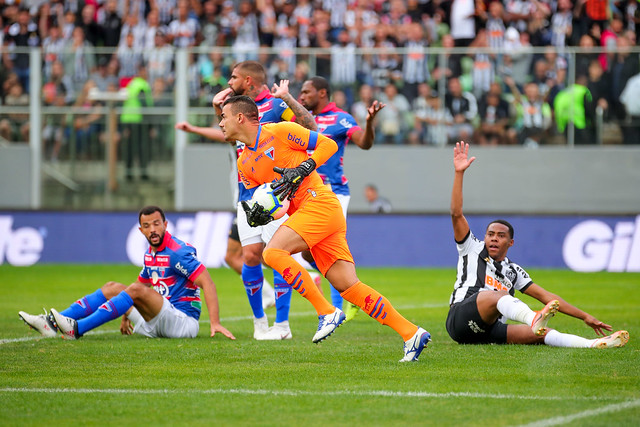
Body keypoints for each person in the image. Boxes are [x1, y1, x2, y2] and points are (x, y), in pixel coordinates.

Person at [219, 95, 430, 362]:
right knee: (349, 287)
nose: (220, 123)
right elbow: (276, 204)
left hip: (320, 204)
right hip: (310, 215)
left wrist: (306, 166)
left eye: (223, 117)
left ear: (240, 117)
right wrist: (261, 216)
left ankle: (325, 311)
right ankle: (411, 333)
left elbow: (327, 145)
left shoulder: (281, 131)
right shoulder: (243, 164)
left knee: (272, 253)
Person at [177, 61, 317, 340]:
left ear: (249, 80)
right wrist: (218, 110)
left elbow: (311, 127)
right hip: (245, 192)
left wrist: (288, 98)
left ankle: (283, 324)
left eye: (233, 77)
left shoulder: (276, 107)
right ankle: (259, 324)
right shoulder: (236, 108)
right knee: (249, 255)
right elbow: (232, 139)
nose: (229, 82)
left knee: (278, 255)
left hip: (275, 193)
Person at [446, 142, 629, 348]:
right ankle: (533, 319)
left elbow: (548, 298)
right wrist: (459, 173)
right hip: (460, 320)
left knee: (543, 334)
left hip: (489, 331)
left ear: (510, 242)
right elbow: (456, 213)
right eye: (490, 234)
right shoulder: (471, 247)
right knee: (500, 296)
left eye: (500, 235)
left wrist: (585, 317)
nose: (494, 238)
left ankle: (593, 344)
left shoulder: (514, 271)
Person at [19, 205, 235, 341]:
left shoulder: (178, 252)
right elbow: (138, 288)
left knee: (135, 290)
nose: (152, 230)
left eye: (157, 224)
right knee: (112, 287)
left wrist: (214, 323)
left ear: (165, 225)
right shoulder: (150, 253)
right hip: (157, 319)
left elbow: (208, 282)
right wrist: (125, 315)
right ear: (140, 230)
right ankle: (51, 323)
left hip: (182, 323)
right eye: (147, 226)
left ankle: (77, 329)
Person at [296, 76, 385, 324]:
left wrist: (369, 123)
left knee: (329, 248)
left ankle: (336, 310)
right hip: (305, 192)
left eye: (306, 92)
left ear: (322, 93)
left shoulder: (341, 118)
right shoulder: (298, 119)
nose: (301, 97)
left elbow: (364, 143)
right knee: (308, 254)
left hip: (334, 191)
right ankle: (348, 294)